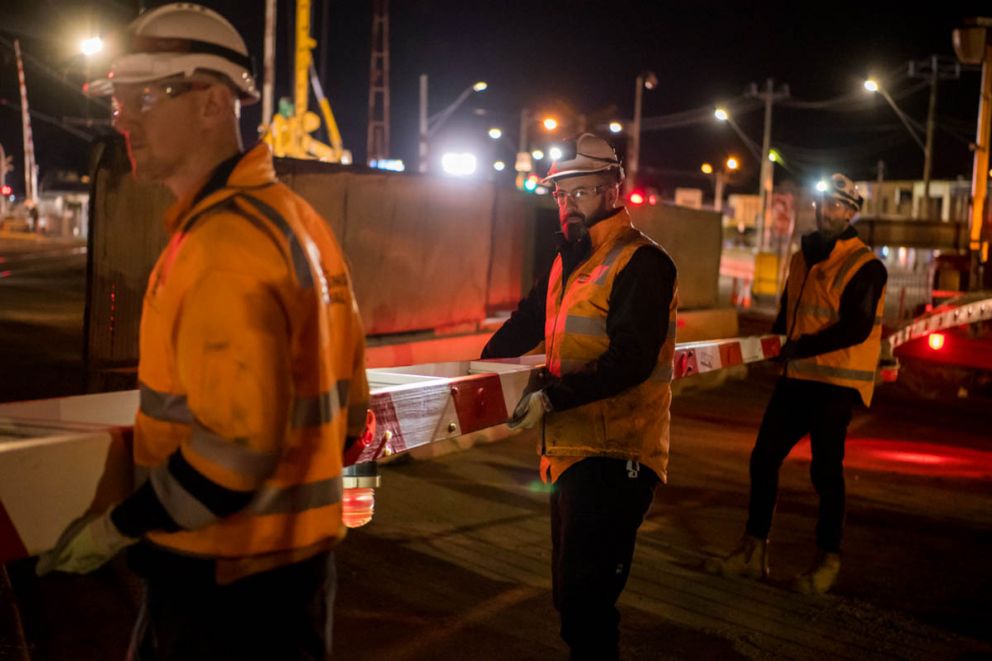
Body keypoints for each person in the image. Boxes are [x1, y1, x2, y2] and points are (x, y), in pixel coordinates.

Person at [36, 4, 369, 658]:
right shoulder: (295, 219)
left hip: (223, 585)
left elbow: (233, 455)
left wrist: (117, 526)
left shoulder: (222, 247)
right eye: (118, 99)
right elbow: (350, 417)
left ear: (214, 102)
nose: (123, 116)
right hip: (292, 576)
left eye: (148, 95)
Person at [482, 133, 678, 659]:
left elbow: (632, 359)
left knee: (588, 606)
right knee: (572, 600)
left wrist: (552, 398)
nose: (567, 205)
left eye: (580, 193)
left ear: (614, 190)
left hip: (617, 456)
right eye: (560, 195)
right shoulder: (569, 260)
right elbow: (527, 322)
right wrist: (479, 372)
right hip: (570, 453)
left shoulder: (642, 262)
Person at [705, 172, 887, 595]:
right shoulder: (802, 256)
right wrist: (771, 345)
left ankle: (827, 559)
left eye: (838, 205)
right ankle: (753, 550)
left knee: (826, 473)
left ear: (852, 212)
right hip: (798, 378)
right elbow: (789, 311)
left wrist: (798, 348)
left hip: (836, 382)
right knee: (763, 457)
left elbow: (856, 328)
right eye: (824, 203)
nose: (828, 211)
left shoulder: (865, 265)